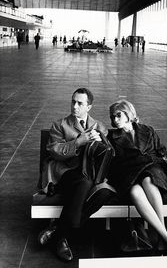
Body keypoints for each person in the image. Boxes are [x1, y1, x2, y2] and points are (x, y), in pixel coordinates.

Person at [39, 87, 114, 262]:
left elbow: (108, 152)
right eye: (73, 101)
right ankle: (62, 240)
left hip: (91, 172)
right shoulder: (60, 125)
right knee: (84, 183)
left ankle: (58, 230)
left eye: (80, 103)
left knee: (105, 192)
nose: (74, 106)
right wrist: (78, 142)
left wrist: (101, 142)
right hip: (64, 172)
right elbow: (55, 152)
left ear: (89, 107)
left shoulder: (99, 126)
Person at [107, 100, 167, 256]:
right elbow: (115, 164)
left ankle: (164, 238)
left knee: (148, 179)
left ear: (129, 113)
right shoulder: (112, 137)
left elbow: (161, 152)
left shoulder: (148, 130)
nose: (115, 120)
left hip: (152, 171)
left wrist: (150, 160)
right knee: (135, 192)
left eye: (118, 115)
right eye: (113, 117)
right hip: (129, 175)